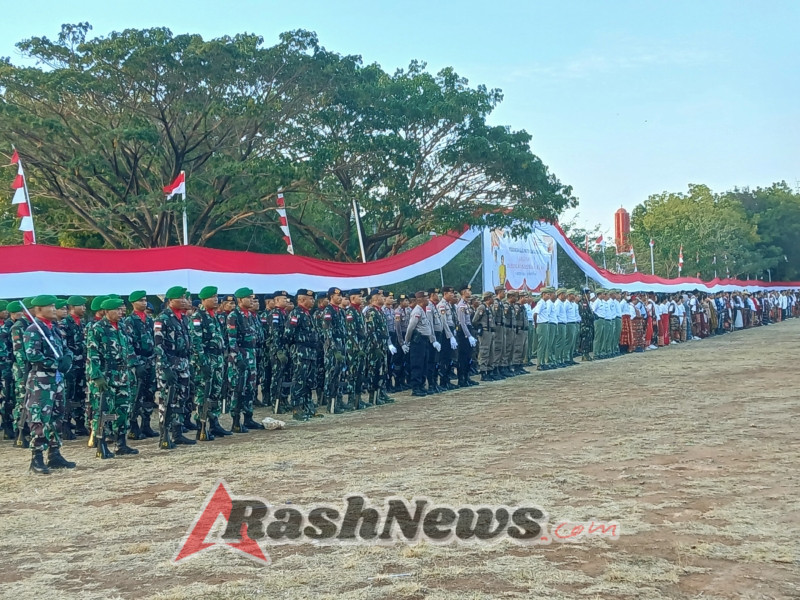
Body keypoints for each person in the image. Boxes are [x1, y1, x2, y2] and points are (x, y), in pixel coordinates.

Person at [23, 295, 75, 474]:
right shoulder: (33, 330)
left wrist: (67, 358)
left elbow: (65, 348)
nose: (54, 309)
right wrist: (55, 364)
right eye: (50, 306)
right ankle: (36, 457)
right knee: (40, 418)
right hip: (41, 381)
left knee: (57, 416)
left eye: (54, 306)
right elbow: (32, 355)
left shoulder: (54, 329)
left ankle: (54, 454)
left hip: (57, 380)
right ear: (38, 309)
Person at [86, 297, 139, 458]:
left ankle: (121, 443)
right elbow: (92, 355)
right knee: (104, 411)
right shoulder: (98, 329)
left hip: (123, 375)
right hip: (106, 375)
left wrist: (133, 369)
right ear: (106, 312)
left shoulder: (121, 327)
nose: (120, 312)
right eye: (116, 310)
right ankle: (101, 443)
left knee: (123, 409)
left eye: (121, 309)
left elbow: (128, 350)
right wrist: (97, 377)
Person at [154, 286, 196, 449]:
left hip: (183, 363)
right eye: (182, 298)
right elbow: (158, 346)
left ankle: (177, 433)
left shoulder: (183, 318)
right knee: (167, 399)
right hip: (169, 363)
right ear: (171, 300)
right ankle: (164, 435)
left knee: (181, 398)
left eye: (186, 298)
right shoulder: (162, 318)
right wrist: (165, 368)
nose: (186, 301)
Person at [189, 286, 230, 440]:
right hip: (206, 360)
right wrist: (202, 363)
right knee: (203, 394)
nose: (216, 299)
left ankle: (214, 423)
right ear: (203, 300)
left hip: (217, 359)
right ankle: (202, 425)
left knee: (215, 392)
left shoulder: (215, 316)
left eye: (216, 296)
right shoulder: (198, 317)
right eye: (212, 297)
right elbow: (196, 343)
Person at [226, 287, 264, 432]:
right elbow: (232, 340)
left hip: (251, 354)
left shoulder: (250, 315)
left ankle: (248, 418)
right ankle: (236, 420)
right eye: (249, 298)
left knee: (250, 388)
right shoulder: (234, 316)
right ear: (240, 300)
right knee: (238, 388)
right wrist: (237, 358)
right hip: (240, 356)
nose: (252, 300)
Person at [287, 289, 321, 421]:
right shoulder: (296, 313)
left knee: (309, 381)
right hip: (301, 351)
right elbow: (289, 333)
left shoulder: (307, 314)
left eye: (313, 298)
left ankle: (309, 407)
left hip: (310, 351)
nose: (313, 301)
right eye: (310, 298)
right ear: (301, 299)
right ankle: (297, 409)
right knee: (299, 380)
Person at [403, 291, 439, 396]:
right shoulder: (417, 311)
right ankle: (416, 387)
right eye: (425, 298)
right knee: (417, 364)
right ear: (420, 300)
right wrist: (407, 341)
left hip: (425, 341)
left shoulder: (423, 311)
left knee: (424, 364)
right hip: (417, 342)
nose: (428, 300)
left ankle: (421, 385)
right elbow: (410, 328)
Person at [322, 287, 349, 413]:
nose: (340, 298)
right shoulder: (329, 310)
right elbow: (327, 331)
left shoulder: (341, 311)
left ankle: (338, 400)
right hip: (333, 347)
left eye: (341, 296)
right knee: (332, 375)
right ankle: (330, 403)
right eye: (337, 296)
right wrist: (334, 349)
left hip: (341, 344)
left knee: (340, 375)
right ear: (331, 297)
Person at [455, 285, 478, 387]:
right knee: (463, 357)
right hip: (463, 333)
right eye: (468, 290)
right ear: (463, 292)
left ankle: (467, 377)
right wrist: (468, 336)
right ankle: (462, 379)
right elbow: (462, 323)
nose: (470, 292)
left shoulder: (466, 304)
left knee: (469, 356)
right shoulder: (461, 306)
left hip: (468, 330)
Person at [472, 291, 495, 381]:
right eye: (492, 297)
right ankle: (483, 372)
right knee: (484, 351)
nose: (493, 299)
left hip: (490, 332)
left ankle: (489, 370)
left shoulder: (489, 308)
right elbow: (475, 320)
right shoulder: (482, 307)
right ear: (488, 298)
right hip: (485, 332)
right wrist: (480, 327)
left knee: (491, 352)